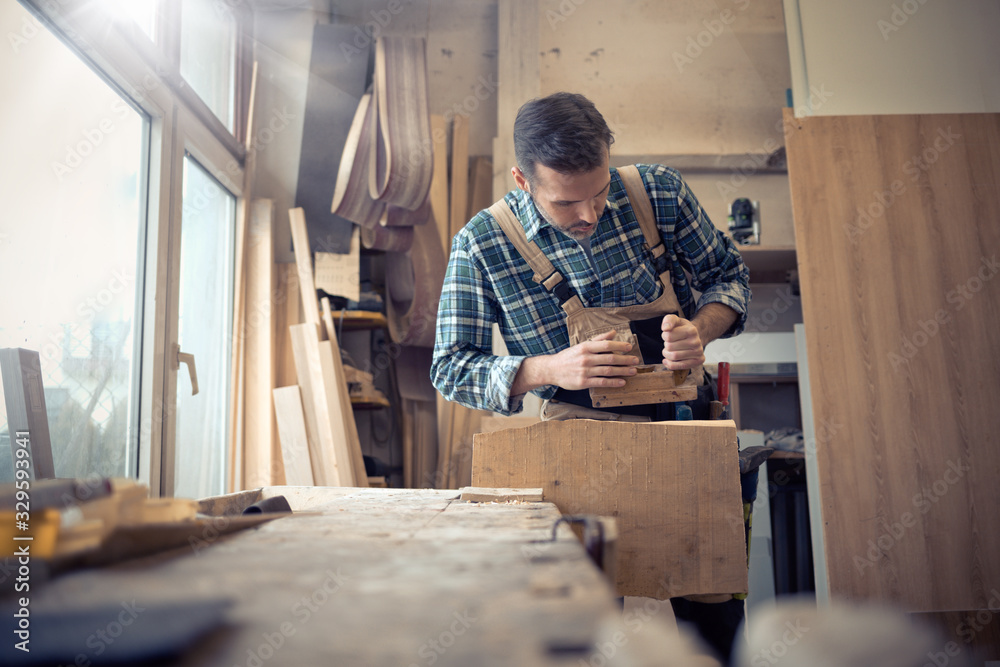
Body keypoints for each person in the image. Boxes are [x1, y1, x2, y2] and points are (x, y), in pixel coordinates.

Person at [430, 91, 752, 663]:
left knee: (715, 620)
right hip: (579, 448)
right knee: (586, 633)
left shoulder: (659, 192)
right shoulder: (482, 244)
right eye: (566, 203)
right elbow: (451, 367)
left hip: (687, 433)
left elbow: (729, 275)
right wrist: (549, 368)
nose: (589, 214)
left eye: (600, 192)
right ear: (522, 180)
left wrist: (700, 329)